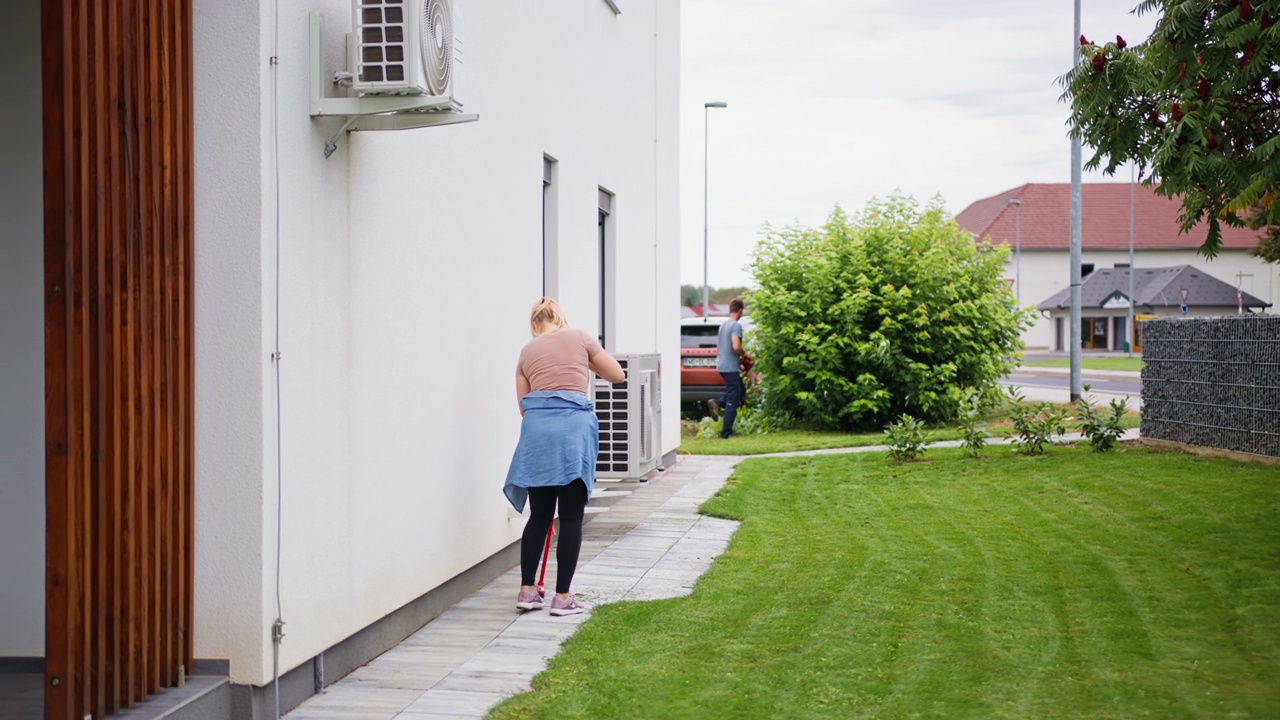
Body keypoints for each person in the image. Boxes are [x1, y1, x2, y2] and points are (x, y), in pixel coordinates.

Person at [503, 297, 625, 616]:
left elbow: (523, 405)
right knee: (570, 517)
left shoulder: (526, 352)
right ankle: (562, 597)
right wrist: (587, 363)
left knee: (540, 516)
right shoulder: (580, 337)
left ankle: (527, 592)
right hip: (572, 433)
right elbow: (616, 375)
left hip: (537, 437)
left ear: (535, 324)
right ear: (560, 317)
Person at [707, 298, 746, 438]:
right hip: (730, 368)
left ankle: (717, 402)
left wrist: (738, 361)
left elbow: (723, 347)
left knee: (740, 390)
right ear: (740, 310)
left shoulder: (723, 326)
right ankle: (726, 432)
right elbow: (736, 346)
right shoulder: (735, 326)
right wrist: (744, 354)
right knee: (733, 400)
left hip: (722, 365)